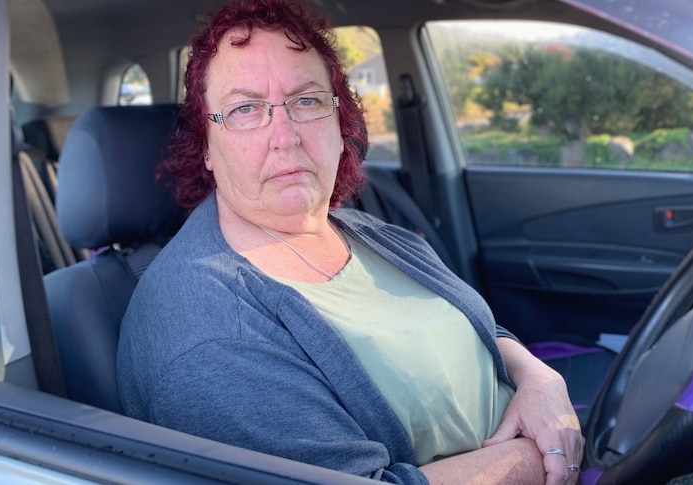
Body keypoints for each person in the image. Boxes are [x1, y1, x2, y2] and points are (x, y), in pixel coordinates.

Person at [116, 0, 583, 483]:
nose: (286, 135)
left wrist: (540, 380)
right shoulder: (206, 334)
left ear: (341, 127)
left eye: (307, 100)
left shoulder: (363, 232)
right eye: (245, 109)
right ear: (207, 147)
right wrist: (541, 455)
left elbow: (470, 333)